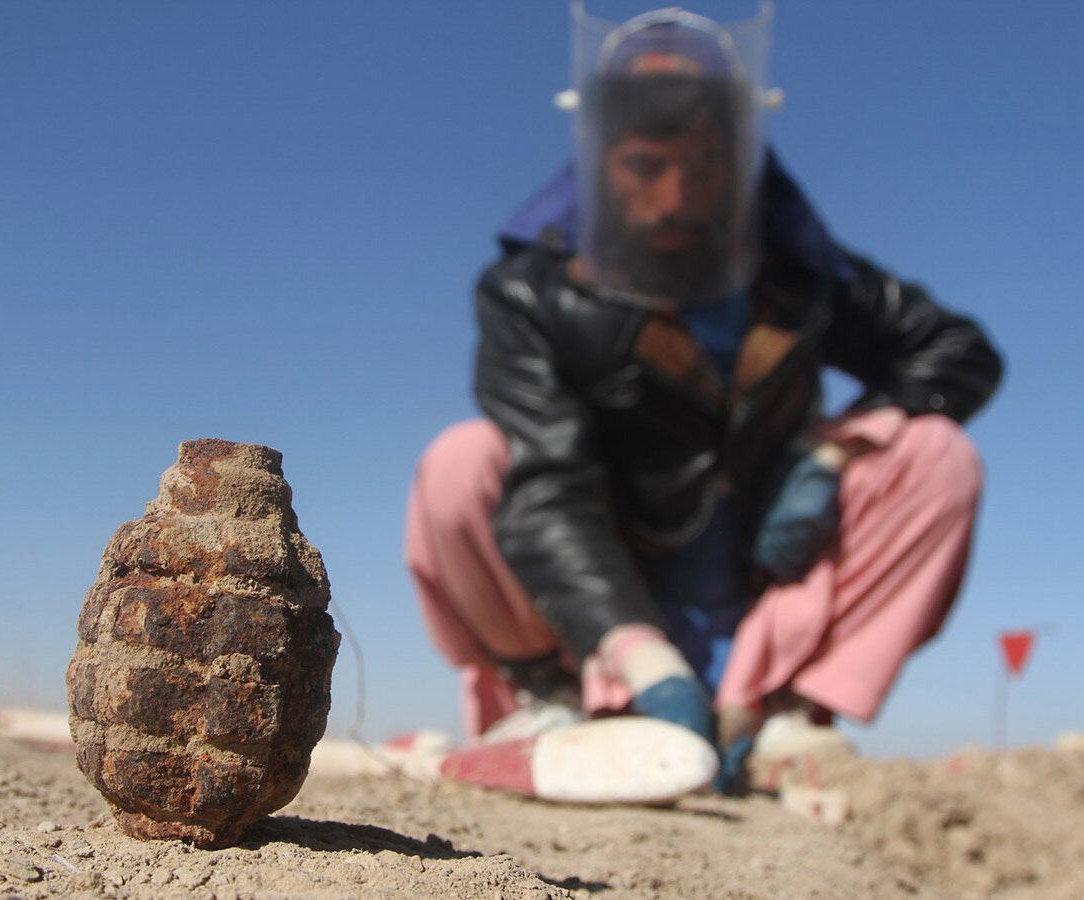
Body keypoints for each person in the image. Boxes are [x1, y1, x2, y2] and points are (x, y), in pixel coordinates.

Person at [405, 4, 1002, 799]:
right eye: (646, 167)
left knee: (936, 456)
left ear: (740, 160)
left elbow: (958, 350)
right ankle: (552, 697)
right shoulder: (532, 292)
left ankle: (787, 720)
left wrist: (835, 445)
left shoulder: (802, 270)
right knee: (461, 465)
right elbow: (547, 487)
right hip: (602, 599)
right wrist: (639, 656)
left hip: (763, 586)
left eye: (703, 166)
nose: (675, 198)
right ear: (601, 159)